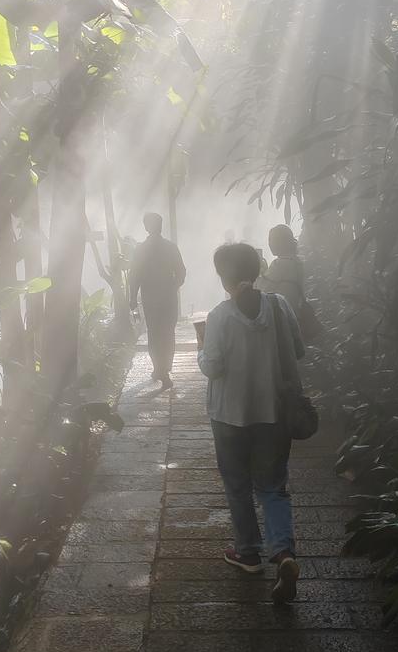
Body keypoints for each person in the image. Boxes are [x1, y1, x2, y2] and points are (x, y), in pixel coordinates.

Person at [196, 242, 305, 604]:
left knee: (238, 485)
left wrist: (200, 350)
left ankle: (248, 553)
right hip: (273, 414)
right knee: (274, 487)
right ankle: (284, 554)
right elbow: (299, 349)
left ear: (224, 278)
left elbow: (213, 366)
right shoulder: (279, 305)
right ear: (256, 270)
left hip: (230, 416)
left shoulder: (220, 316)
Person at [129, 212, 186, 389]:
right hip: (168, 296)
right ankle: (164, 369)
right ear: (160, 226)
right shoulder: (171, 247)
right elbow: (182, 273)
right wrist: (172, 287)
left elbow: (134, 276)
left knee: (154, 333)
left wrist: (132, 298)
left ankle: (158, 368)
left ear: (146, 227)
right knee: (168, 331)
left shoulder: (141, 249)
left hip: (150, 296)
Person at [256, 224, 304, 315]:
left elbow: (260, 289)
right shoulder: (297, 261)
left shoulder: (280, 264)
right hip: (296, 312)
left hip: (284, 316)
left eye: (272, 240)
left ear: (282, 242)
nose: (269, 243)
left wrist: (258, 271)